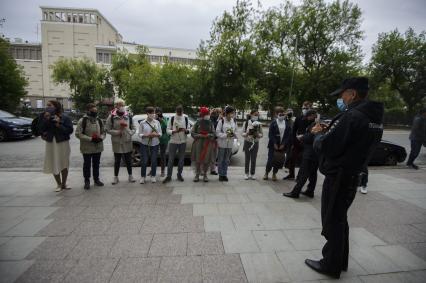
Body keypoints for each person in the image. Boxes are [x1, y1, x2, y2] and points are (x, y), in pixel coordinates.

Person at [305, 77, 383, 279]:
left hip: (339, 176)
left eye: (342, 94)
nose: (341, 98)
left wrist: (318, 135)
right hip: (353, 174)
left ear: (352, 93)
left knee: (332, 220)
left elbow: (327, 146)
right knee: (340, 219)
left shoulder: (352, 116)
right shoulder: (374, 118)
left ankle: (330, 264)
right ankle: (341, 260)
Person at [38, 100, 73, 192]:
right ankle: (58, 184)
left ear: (56, 106)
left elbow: (70, 130)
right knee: (54, 162)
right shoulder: (44, 116)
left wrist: (59, 125)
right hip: (51, 143)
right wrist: (46, 119)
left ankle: (64, 184)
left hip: (63, 142)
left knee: (64, 162)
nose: (48, 107)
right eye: (47, 105)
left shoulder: (65, 117)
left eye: (50, 105)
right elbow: (40, 129)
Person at [283, 109, 318, 198]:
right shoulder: (315, 124)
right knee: (313, 174)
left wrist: (302, 137)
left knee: (303, 173)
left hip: (310, 153)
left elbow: (311, 138)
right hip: (315, 154)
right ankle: (310, 191)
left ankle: (295, 192)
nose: (307, 118)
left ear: (313, 115)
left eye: (309, 116)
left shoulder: (316, 125)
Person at [75, 103, 106, 190]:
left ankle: (96, 180)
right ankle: (87, 181)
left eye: (96, 110)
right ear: (88, 110)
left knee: (96, 164)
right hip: (87, 147)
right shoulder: (83, 121)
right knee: (87, 165)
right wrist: (90, 139)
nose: (95, 112)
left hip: (98, 146)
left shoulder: (99, 120)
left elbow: (104, 132)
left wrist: (101, 138)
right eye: (93, 111)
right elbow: (78, 134)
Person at [106, 99, 136, 185]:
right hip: (117, 141)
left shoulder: (128, 116)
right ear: (116, 106)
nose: (122, 107)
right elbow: (107, 129)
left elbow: (134, 128)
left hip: (127, 141)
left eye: (123, 105)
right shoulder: (111, 117)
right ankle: (116, 177)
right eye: (120, 105)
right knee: (117, 161)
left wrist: (129, 132)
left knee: (128, 160)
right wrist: (117, 132)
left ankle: (130, 176)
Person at [284, 101, 313, 180]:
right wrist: (294, 140)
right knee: (291, 158)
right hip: (297, 142)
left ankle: (299, 177)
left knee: (303, 161)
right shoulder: (299, 118)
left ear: (310, 109)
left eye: (306, 108)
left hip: (307, 142)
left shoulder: (312, 119)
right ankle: (291, 174)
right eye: (303, 108)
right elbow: (294, 130)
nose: (304, 110)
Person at [163, 105, 190, 183]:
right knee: (171, 160)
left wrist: (185, 130)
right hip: (173, 142)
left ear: (182, 111)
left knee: (181, 160)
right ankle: (168, 176)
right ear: (176, 111)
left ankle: (179, 174)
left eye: (180, 112)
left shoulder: (185, 118)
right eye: (178, 112)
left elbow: (189, 130)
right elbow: (167, 130)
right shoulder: (172, 118)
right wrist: (174, 131)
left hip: (183, 142)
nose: (179, 114)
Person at [264, 106, 292, 181]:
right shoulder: (273, 123)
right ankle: (266, 173)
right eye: (280, 114)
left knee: (278, 160)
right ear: (276, 114)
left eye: (283, 114)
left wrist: (283, 144)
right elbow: (270, 134)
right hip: (273, 145)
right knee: (270, 160)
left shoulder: (287, 124)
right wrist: (274, 143)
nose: (281, 116)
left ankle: (274, 174)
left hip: (282, 146)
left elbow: (288, 135)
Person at [191, 107, 216, 182]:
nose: (208, 115)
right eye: (206, 114)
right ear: (202, 115)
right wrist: (200, 135)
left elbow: (214, 133)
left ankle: (205, 174)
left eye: (208, 114)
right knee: (198, 159)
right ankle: (197, 175)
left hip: (208, 143)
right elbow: (192, 133)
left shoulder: (210, 123)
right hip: (198, 143)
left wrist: (209, 135)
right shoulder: (197, 123)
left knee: (207, 159)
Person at [139, 106, 162, 184]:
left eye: (153, 113)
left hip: (155, 144)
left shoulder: (157, 122)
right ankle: (143, 176)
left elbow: (160, 133)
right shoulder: (142, 122)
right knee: (144, 161)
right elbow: (139, 134)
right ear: (147, 113)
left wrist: (156, 134)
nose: (153, 114)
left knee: (154, 160)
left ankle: (153, 176)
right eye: (151, 113)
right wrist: (147, 135)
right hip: (144, 144)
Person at [216, 106, 238, 182]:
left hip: (230, 144)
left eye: (233, 113)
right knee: (221, 159)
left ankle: (224, 174)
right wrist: (226, 135)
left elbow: (236, 130)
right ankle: (220, 174)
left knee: (227, 160)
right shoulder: (221, 121)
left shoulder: (234, 121)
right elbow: (217, 133)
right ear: (227, 113)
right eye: (232, 113)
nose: (233, 114)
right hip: (222, 144)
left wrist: (234, 134)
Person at [242, 109, 263, 180]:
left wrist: (258, 134)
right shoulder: (246, 123)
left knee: (254, 159)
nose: (256, 116)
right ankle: (246, 173)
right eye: (255, 114)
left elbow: (261, 134)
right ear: (251, 115)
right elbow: (242, 133)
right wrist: (247, 133)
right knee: (247, 158)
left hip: (255, 143)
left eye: (257, 115)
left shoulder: (259, 124)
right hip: (247, 142)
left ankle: (252, 173)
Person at [156, 108, 169, 178]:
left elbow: (167, 126)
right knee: (153, 154)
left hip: (163, 139)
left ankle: (162, 171)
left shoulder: (165, 119)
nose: (158, 113)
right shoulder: (154, 119)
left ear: (161, 112)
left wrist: (161, 120)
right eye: (156, 112)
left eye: (159, 112)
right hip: (155, 139)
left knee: (162, 155)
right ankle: (152, 169)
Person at [209, 108, 222, 175]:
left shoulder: (220, 119)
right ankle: (206, 169)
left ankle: (213, 169)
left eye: (220, 112)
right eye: (219, 112)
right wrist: (218, 120)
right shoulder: (212, 118)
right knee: (210, 155)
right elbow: (213, 126)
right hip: (211, 139)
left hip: (217, 139)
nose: (220, 113)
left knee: (215, 155)